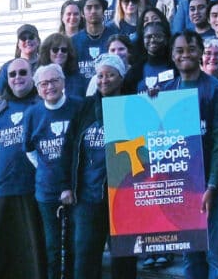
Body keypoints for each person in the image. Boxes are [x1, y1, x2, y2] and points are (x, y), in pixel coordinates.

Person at [0, 57, 47, 278]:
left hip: (31, 193)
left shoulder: (41, 105)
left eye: (23, 73)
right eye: (12, 74)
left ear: (32, 76)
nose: (17, 78)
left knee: (32, 257)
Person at [166, 31, 218, 279]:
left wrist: (212, 185)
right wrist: (150, 106)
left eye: (191, 49)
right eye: (179, 50)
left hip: (213, 187)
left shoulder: (216, 89)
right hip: (182, 188)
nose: (185, 54)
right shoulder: (166, 91)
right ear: (172, 55)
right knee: (191, 258)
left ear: (201, 53)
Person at [65, 54, 138, 279]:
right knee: (85, 256)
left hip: (124, 196)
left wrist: (153, 100)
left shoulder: (134, 105)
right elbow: (68, 147)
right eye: (100, 76)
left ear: (121, 77)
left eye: (110, 75)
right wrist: (67, 186)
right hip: (89, 196)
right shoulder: (84, 107)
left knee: (124, 259)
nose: (104, 80)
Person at [23, 64, 80, 279]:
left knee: (75, 243)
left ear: (63, 82)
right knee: (52, 246)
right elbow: (29, 149)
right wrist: (46, 168)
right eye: (44, 83)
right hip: (46, 191)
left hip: (77, 188)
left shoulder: (78, 106)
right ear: (38, 89)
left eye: (54, 81)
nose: (50, 87)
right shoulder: (32, 114)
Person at [71, 0, 121, 86]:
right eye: (89, 7)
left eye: (97, 7)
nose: (93, 11)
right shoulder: (73, 42)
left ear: (103, 11)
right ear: (82, 13)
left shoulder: (115, 36)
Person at [0, 24, 41, 94]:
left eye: (31, 37)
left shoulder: (46, 64)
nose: (27, 40)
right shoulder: (7, 67)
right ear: (18, 44)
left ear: (38, 41)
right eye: (23, 38)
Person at [39, 32, 86, 99]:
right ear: (47, 52)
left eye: (64, 50)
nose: (60, 52)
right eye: (55, 50)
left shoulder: (77, 78)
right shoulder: (40, 78)